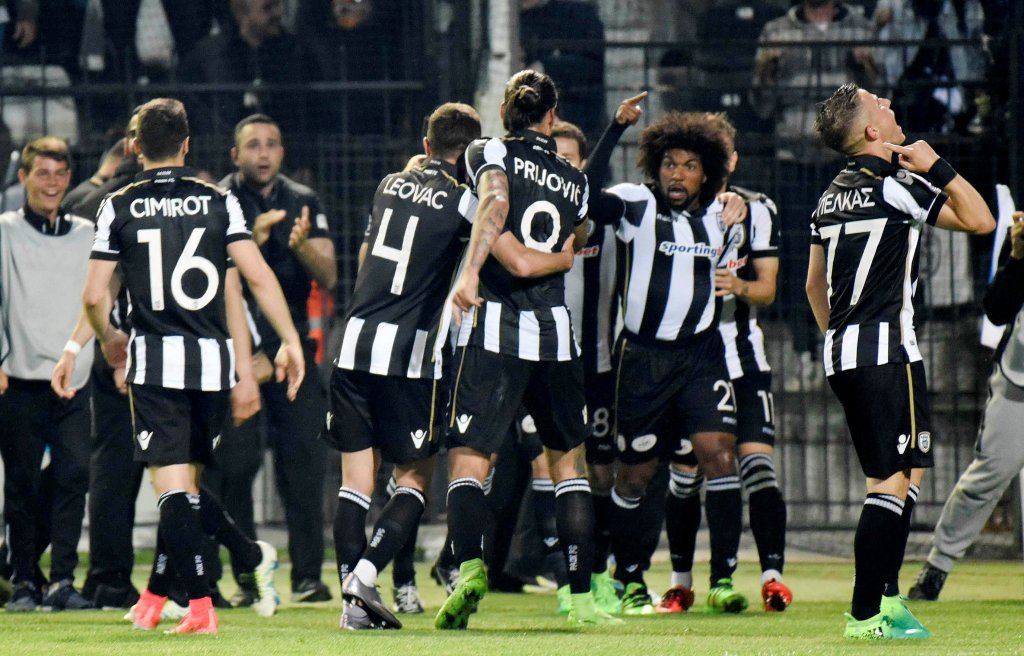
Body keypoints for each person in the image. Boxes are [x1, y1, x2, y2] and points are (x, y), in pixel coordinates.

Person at [330, 101, 576, 630]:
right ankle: (365, 578)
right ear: (472, 153)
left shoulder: (389, 185)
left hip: (353, 342)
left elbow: (367, 258)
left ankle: (353, 606)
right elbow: (514, 257)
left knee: (355, 484)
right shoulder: (467, 203)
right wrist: (561, 257)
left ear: (426, 145)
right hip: (409, 354)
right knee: (414, 480)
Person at [78, 97, 305, 634]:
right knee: (185, 488)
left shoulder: (119, 204)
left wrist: (108, 337)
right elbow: (256, 276)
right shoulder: (220, 201)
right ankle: (157, 597)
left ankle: (209, 597)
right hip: (211, 366)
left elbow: (93, 294)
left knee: (174, 492)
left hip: (156, 364)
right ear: (186, 144)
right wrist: (290, 340)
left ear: (134, 147)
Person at [806, 83, 994, 639]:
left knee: (909, 474)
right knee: (887, 483)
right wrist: (937, 166)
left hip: (847, 351)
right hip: (886, 350)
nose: (889, 105)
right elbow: (980, 220)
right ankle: (866, 616)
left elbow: (814, 286)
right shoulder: (896, 184)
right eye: (879, 105)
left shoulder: (828, 196)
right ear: (872, 131)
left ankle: (888, 600)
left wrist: (841, 340)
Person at [440, 69, 618, 629]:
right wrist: (560, 258)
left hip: (495, 328)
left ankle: (470, 570)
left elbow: (494, 203)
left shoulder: (488, 151)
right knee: (569, 466)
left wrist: (471, 271)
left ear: (504, 113)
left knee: (470, 460)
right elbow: (577, 237)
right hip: (556, 335)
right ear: (551, 116)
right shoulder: (575, 179)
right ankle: (582, 600)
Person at [582, 109, 748, 615]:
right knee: (634, 477)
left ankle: (722, 580)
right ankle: (629, 578)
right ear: (655, 167)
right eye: (670, 164)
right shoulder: (636, 204)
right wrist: (614, 128)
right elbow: (584, 196)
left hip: (701, 355)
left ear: (708, 173)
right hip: (643, 360)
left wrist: (736, 206)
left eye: (690, 166)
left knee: (720, 457)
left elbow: (728, 277)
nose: (678, 174)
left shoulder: (723, 216)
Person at [654, 112, 791, 614]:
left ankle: (772, 577)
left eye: (722, 154)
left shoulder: (758, 210)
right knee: (686, 472)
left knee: (757, 464)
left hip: (743, 354)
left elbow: (768, 289)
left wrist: (739, 285)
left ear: (730, 160)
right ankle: (681, 582)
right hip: (688, 359)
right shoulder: (668, 209)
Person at [215, 113, 336, 605]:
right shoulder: (219, 201)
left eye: (271, 144)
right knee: (234, 467)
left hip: (293, 353)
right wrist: (253, 245)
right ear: (235, 155)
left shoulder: (304, 200)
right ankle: (248, 578)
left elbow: (329, 275)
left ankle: (308, 577)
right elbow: (212, 280)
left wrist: (301, 246)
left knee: (305, 465)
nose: (263, 153)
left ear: (282, 152)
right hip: (239, 353)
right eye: (253, 145)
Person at [751, 0, 879, 388]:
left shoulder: (858, 27)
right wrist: (767, 67)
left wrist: (866, 64)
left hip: (843, 160)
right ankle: (803, 348)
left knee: (849, 253)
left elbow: (883, 99)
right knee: (797, 254)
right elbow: (760, 104)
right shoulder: (776, 30)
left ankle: (841, 343)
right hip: (793, 158)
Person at [0, 137, 95, 612]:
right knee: (21, 483)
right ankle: (22, 581)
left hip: (73, 376)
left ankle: (61, 580)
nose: (52, 183)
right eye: (42, 173)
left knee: (74, 475)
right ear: (23, 178)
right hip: (18, 376)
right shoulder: (5, 231)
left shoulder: (87, 234)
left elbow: (98, 299)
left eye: (60, 174)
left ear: (69, 178)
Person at [909, 210, 1024, 601]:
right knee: (987, 475)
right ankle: (937, 567)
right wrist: (1018, 258)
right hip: (1019, 379)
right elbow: (997, 309)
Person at [519, 0, 606, 142]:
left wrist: (544, 66)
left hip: (574, 114)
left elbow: (589, 66)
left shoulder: (578, 14)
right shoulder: (522, 19)